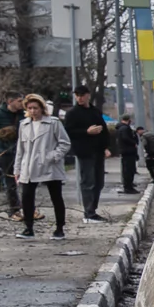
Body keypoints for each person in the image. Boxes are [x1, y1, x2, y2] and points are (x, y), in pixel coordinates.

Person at [12, 94, 68, 239]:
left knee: (56, 197)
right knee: (27, 197)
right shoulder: (24, 124)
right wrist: (17, 169)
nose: (33, 111)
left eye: (35, 108)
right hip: (29, 167)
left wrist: (52, 156)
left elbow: (65, 143)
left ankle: (59, 228)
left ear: (42, 108)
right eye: (29, 108)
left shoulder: (53, 123)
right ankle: (28, 228)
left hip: (50, 167)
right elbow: (20, 149)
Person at [61, 86, 108, 220]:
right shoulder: (73, 113)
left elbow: (103, 130)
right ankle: (89, 212)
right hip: (84, 151)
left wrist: (105, 147)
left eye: (82, 95)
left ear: (88, 95)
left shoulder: (95, 111)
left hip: (98, 151)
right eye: (77, 95)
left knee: (99, 182)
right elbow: (68, 132)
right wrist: (86, 132)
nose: (80, 98)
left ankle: (93, 208)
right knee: (88, 181)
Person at [115, 114, 140, 193]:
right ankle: (128, 187)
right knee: (128, 170)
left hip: (126, 151)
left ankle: (128, 186)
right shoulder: (125, 128)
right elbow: (125, 138)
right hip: (128, 151)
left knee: (128, 169)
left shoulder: (121, 128)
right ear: (128, 120)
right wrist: (133, 143)